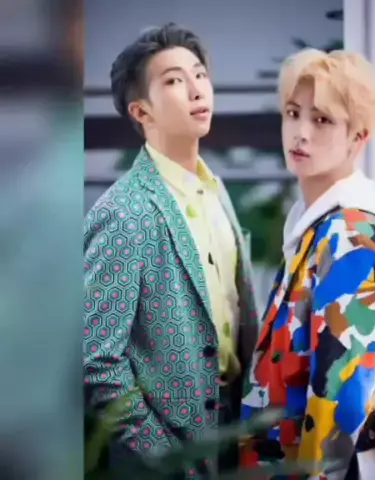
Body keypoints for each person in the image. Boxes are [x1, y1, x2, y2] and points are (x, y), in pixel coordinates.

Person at [83, 23, 259, 478]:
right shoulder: (123, 212)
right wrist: (162, 455)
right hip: (166, 453)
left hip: (235, 433)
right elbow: (96, 358)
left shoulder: (216, 190)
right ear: (142, 111)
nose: (197, 89)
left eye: (199, 75)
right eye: (174, 81)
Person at [240, 49, 375, 479]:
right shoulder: (314, 225)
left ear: (358, 138)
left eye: (322, 119)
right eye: (293, 113)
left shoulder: (353, 233)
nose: (300, 133)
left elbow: (343, 395)